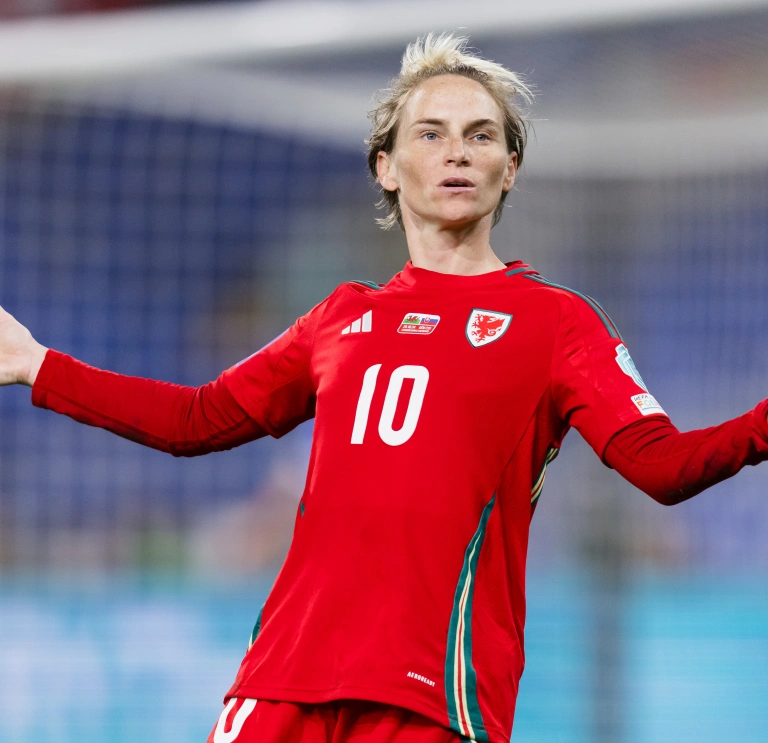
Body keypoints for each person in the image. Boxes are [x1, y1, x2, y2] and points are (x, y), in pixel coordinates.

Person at [1, 33, 766, 743]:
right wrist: (39, 364)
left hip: (433, 694)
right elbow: (198, 418)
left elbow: (663, 465)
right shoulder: (339, 318)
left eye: (481, 135)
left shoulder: (556, 322)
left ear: (510, 169)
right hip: (284, 677)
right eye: (430, 133)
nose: (457, 152)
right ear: (386, 167)